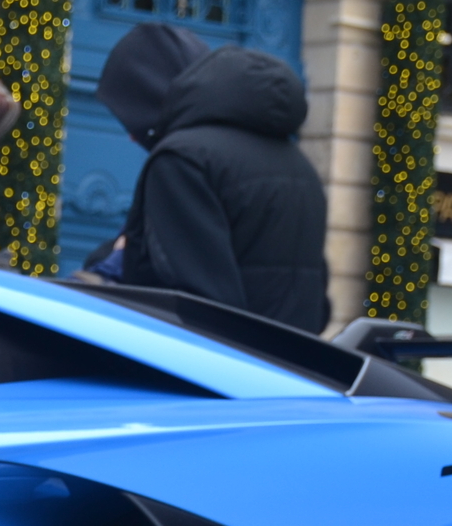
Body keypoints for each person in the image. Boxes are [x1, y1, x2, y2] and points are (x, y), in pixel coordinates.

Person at [96, 21, 328, 332]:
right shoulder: (297, 164)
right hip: (294, 369)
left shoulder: (184, 159)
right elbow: (315, 302)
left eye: (130, 120)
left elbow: (198, 304)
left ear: (152, 97)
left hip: (220, 371)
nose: (132, 138)